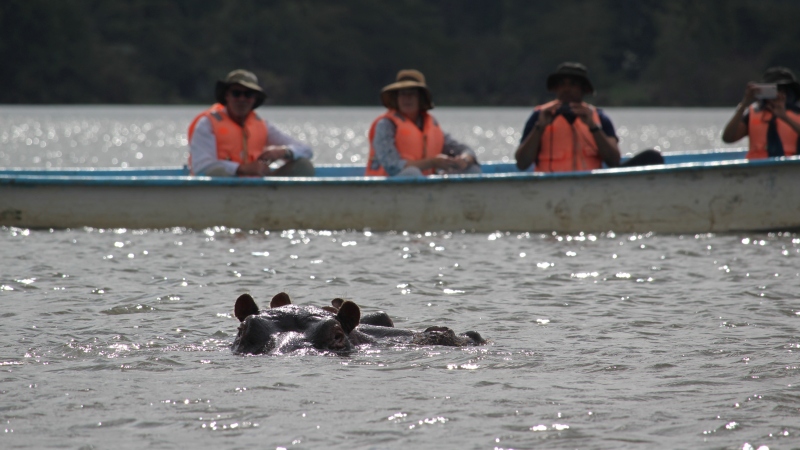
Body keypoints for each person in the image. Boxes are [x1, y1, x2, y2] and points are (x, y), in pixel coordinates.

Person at [515, 62, 663, 172]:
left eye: (573, 84)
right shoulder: (539, 116)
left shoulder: (599, 117)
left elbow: (613, 161)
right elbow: (522, 164)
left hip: (591, 186)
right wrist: (540, 128)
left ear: (583, 90)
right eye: (561, 84)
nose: (566, 89)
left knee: (652, 157)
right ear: (555, 88)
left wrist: (593, 127)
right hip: (550, 186)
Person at [188, 69, 314, 177]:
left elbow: (306, 150)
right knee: (217, 172)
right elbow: (202, 165)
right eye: (236, 93)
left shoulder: (262, 126)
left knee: (303, 165)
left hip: (259, 188)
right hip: (223, 191)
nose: (242, 99)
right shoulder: (207, 124)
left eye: (248, 94)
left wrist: (282, 152)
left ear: (254, 99)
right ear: (227, 95)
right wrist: (241, 168)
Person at [365, 69, 480, 177]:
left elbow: (464, 150)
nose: (407, 99)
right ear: (396, 98)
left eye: (412, 94)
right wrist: (432, 162)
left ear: (421, 98)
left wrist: (465, 159)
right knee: (412, 173)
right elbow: (392, 165)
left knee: (472, 170)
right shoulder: (386, 124)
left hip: (424, 186)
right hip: (391, 184)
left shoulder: (429, 124)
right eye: (402, 94)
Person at [722, 66, 800, 159]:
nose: (777, 94)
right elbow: (728, 138)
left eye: (783, 89)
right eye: (772, 89)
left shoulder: (797, 113)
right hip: (756, 167)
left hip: (789, 166)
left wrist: (784, 117)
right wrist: (744, 104)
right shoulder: (753, 112)